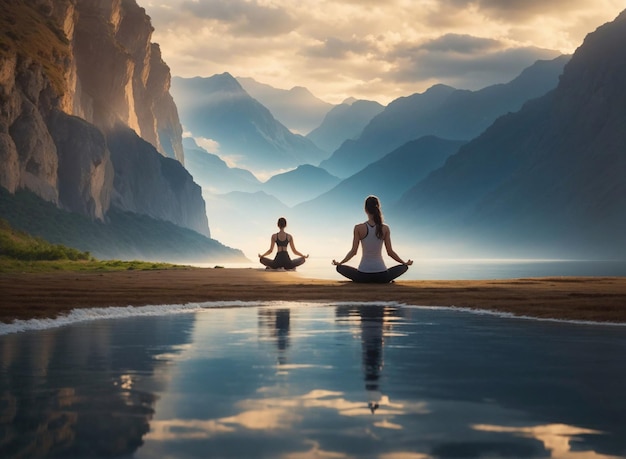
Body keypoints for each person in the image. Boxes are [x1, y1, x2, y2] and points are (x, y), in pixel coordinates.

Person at [332, 195, 412, 283]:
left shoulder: (358, 228)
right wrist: (404, 263)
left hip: (362, 276)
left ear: (365, 210)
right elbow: (390, 252)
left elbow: (353, 252)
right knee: (404, 267)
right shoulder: (385, 228)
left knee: (339, 268)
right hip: (382, 276)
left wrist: (341, 263)